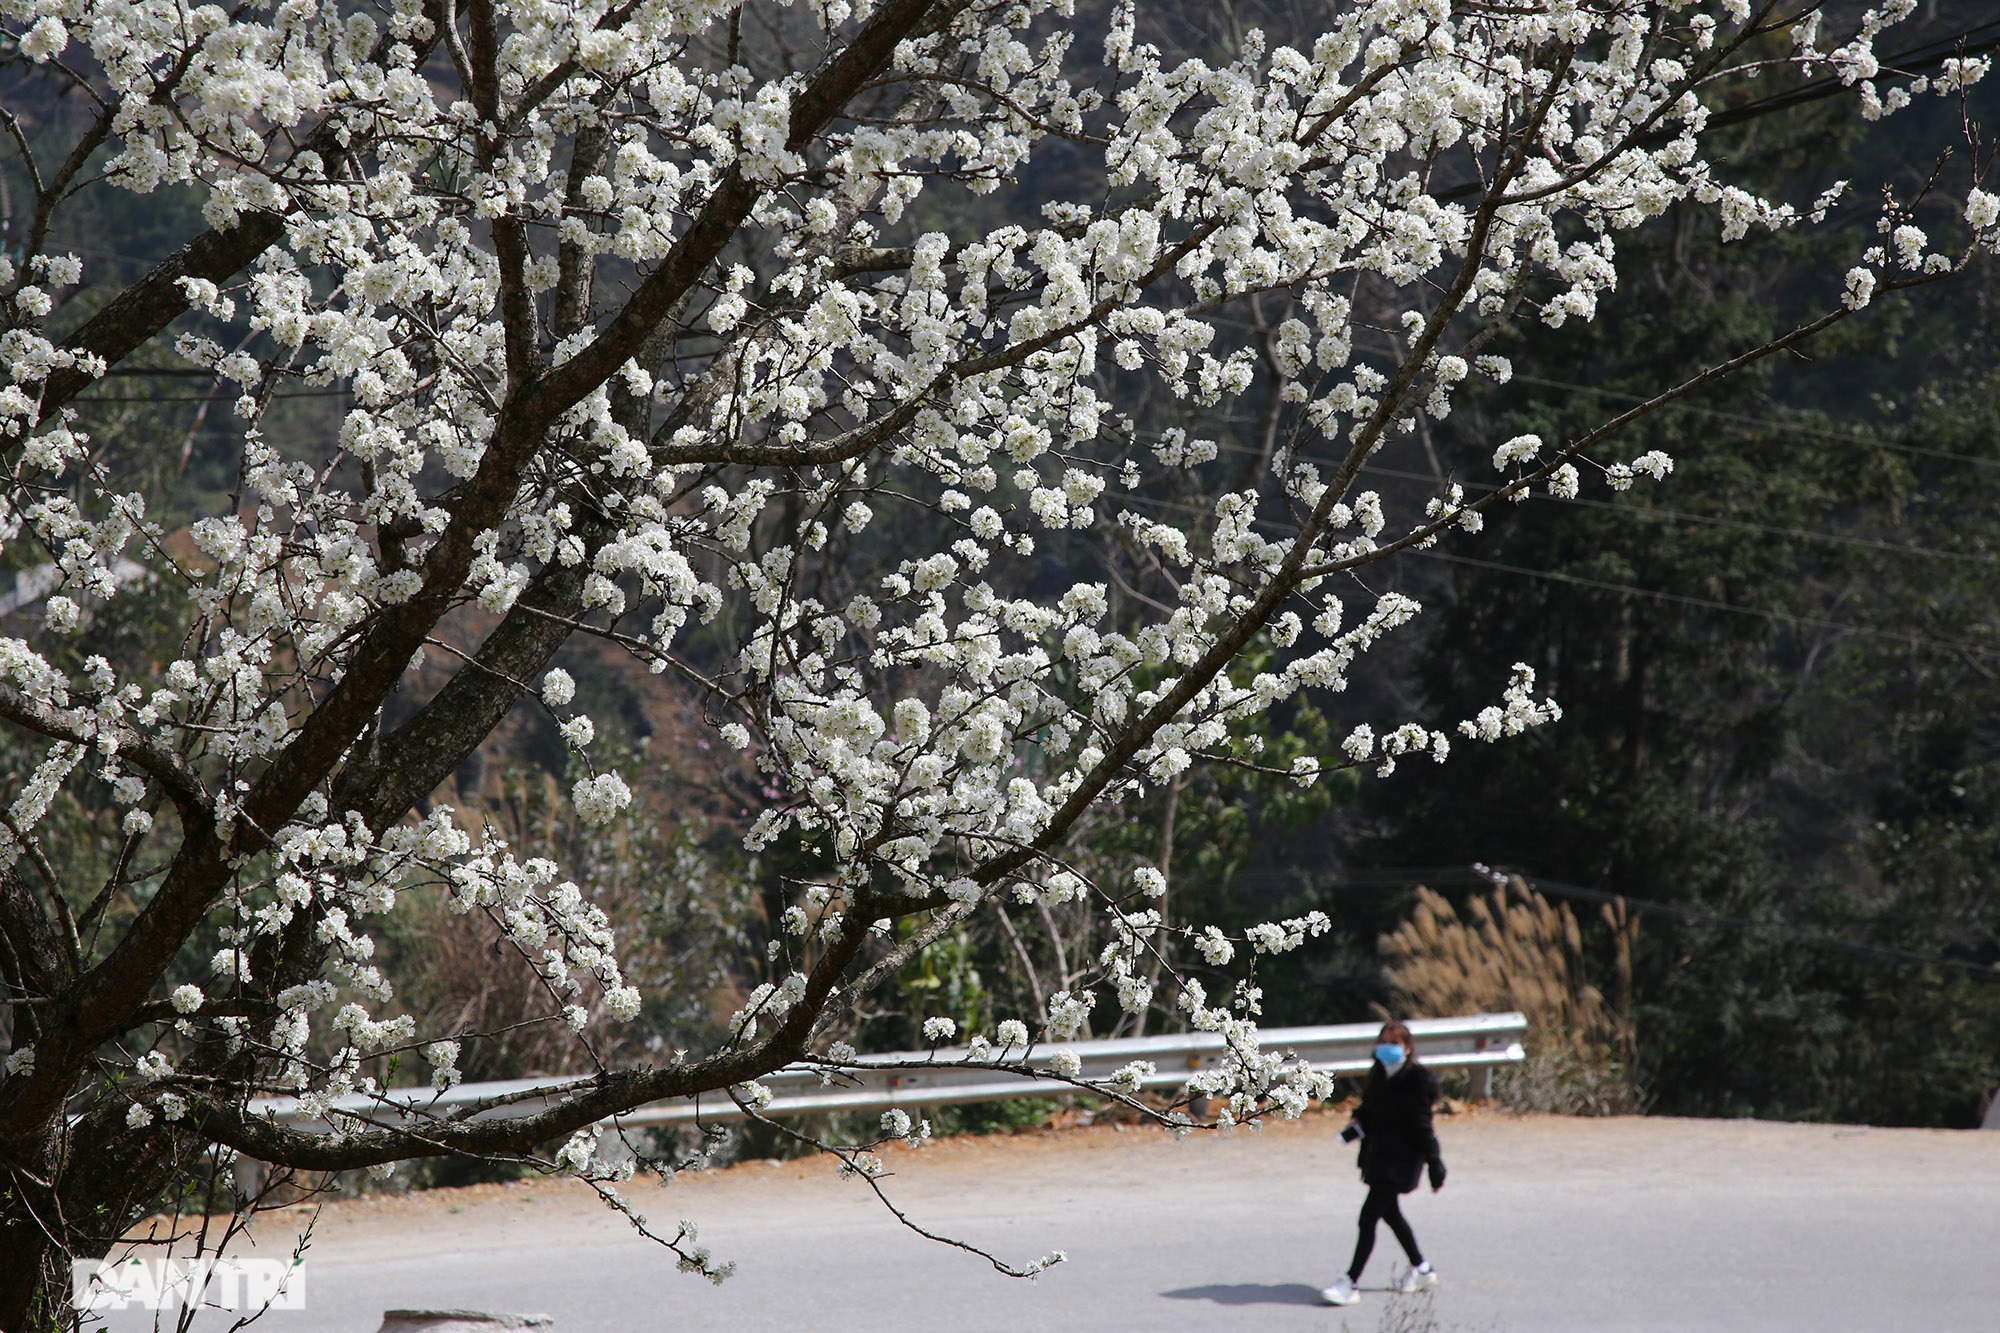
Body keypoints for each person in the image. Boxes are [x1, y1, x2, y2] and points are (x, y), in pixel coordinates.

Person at [1320, 1020, 1446, 1307]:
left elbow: (1423, 1127)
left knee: (1368, 1219)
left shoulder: (1417, 1081)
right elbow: (1370, 1109)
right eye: (1384, 1041)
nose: (1387, 1048)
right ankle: (1423, 1269)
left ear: (1407, 1048)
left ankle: (1350, 1282)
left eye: (1394, 1043)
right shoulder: (1380, 1075)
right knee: (1391, 1216)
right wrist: (1357, 1122)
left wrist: (1435, 1164)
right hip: (1378, 1157)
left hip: (1400, 1162)